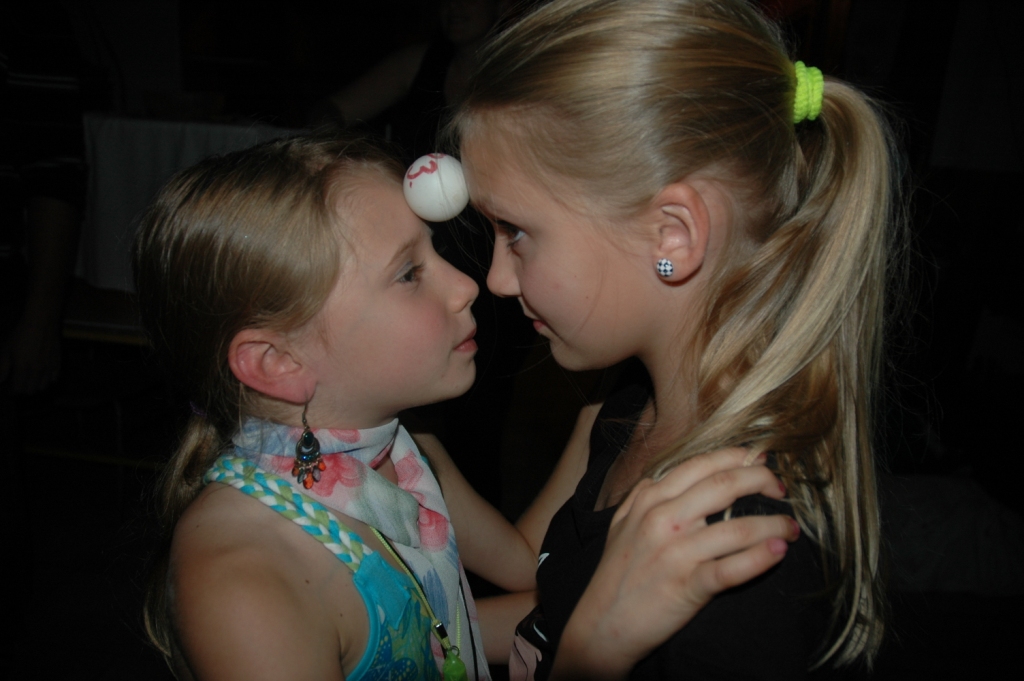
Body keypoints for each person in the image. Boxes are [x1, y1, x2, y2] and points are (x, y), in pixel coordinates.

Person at [136, 133, 794, 680]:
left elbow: (509, 571)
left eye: (434, 252)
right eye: (409, 273)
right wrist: (594, 648)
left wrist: (608, 398)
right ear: (279, 362)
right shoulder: (242, 580)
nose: (466, 285)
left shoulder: (406, 452)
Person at [451, 0, 901, 677]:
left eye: (516, 231)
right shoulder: (631, 403)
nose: (495, 278)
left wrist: (591, 653)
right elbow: (554, 604)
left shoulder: (741, 550)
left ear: (673, 235)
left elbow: (584, 627)